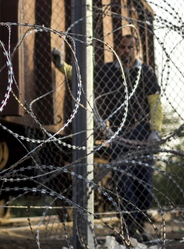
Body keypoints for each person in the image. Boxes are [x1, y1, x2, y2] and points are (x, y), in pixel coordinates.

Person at [53, 34, 162, 242]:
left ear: (136, 50)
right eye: (122, 47)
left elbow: (155, 103)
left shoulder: (146, 73)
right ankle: (131, 231)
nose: (126, 51)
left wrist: (155, 130)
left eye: (130, 47)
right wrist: (61, 66)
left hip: (143, 135)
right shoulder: (109, 71)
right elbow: (81, 76)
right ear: (117, 49)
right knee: (124, 185)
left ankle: (139, 226)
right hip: (119, 134)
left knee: (144, 186)